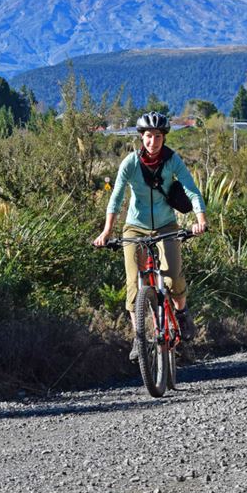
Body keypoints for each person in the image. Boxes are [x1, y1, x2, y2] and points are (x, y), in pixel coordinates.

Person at [92, 111, 208, 361]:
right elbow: (116, 197)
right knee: (134, 284)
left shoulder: (173, 161)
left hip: (166, 225)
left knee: (173, 276)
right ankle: (139, 338)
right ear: (141, 137)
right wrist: (106, 232)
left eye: (157, 136)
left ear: (163, 138)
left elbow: (191, 189)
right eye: (147, 136)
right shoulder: (130, 163)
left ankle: (182, 313)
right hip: (135, 227)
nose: (152, 141)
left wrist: (201, 220)